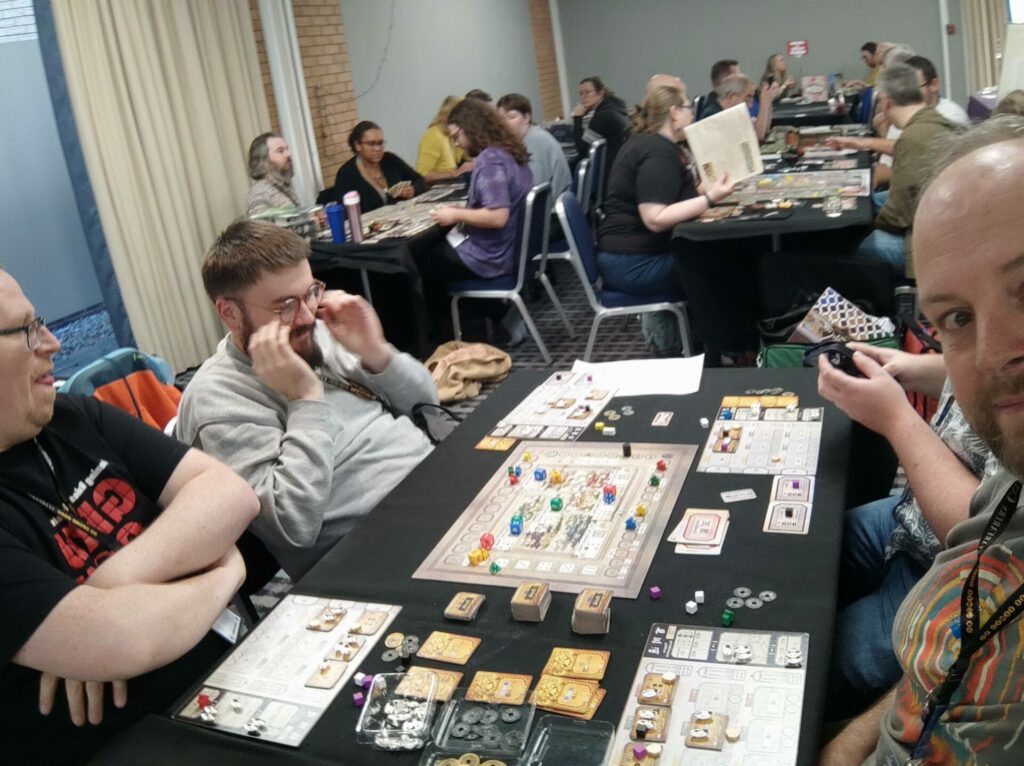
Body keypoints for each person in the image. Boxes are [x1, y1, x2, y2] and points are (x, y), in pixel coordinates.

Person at [819, 116, 1024, 766]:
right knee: (809, 545)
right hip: (910, 532)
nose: (992, 355)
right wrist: (920, 370)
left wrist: (899, 420)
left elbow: (973, 526)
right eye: (957, 318)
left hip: (932, 545)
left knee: (813, 654)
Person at [0, 270, 259, 763]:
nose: (52, 344)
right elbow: (126, 638)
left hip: (231, 672)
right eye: (26, 331)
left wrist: (105, 587)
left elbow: (230, 494)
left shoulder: (69, 415)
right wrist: (227, 566)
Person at [175, 221, 436, 580]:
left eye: (311, 292)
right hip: (366, 548)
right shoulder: (216, 397)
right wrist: (304, 400)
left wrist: (376, 352)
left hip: (431, 483)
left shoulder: (313, 332)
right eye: (284, 305)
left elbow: (427, 405)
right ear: (229, 313)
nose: (307, 315)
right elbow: (293, 527)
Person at [817, 346, 997, 721]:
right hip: (910, 514)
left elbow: (984, 538)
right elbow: (980, 367)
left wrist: (897, 418)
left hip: (963, 582)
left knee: (815, 665)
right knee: (803, 557)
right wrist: (910, 368)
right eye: (959, 318)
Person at [596, 85, 733, 356]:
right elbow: (655, 218)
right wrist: (709, 199)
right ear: (674, 113)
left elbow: (671, 197)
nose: (692, 114)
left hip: (631, 255)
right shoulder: (657, 152)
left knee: (721, 257)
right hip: (633, 265)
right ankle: (715, 349)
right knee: (724, 265)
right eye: (688, 108)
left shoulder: (652, 144)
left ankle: (711, 347)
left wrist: (709, 189)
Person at [854, 64, 957, 277]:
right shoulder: (933, 121)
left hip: (936, 241)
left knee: (868, 243)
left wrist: (860, 225)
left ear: (887, 102)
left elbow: (897, 217)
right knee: (872, 202)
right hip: (944, 221)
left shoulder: (912, 138)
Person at [333, 121, 427, 213]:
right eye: (371, 144)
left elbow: (420, 180)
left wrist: (413, 190)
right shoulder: (346, 174)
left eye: (380, 143)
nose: (377, 149)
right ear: (358, 145)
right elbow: (347, 212)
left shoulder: (390, 159)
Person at [497, 92, 572, 199]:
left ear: (526, 118)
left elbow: (535, 188)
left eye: (511, 117)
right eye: (501, 119)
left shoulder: (535, 140)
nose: (504, 124)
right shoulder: (529, 136)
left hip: (549, 208)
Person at [571, 76, 632, 190]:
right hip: (623, 168)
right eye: (581, 93)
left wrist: (577, 119)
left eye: (587, 92)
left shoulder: (603, 116)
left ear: (600, 93)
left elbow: (583, 149)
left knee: (573, 165)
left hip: (612, 174)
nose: (583, 97)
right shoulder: (616, 108)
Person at [416, 96, 473, 185]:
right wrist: (452, 174)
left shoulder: (452, 136)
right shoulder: (433, 135)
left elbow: (466, 158)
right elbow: (422, 175)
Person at [246, 131, 301, 215]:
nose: (288, 154)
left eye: (287, 149)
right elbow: (262, 226)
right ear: (263, 161)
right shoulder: (259, 194)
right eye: (280, 151)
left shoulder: (283, 186)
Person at [716, 73, 779, 142]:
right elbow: (757, 137)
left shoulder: (732, 113)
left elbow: (764, 130)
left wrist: (768, 101)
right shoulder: (715, 117)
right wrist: (764, 102)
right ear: (731, 97)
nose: (750, 105)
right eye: (748, 97)